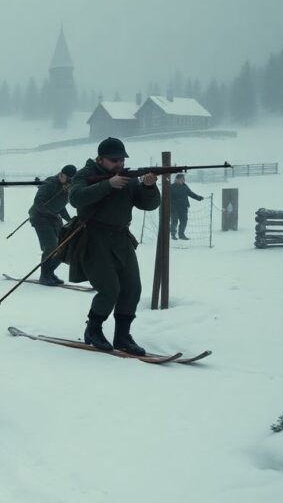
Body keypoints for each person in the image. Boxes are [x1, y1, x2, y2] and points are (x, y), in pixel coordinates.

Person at [67, 138, 160, 356]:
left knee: (132, 288)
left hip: (121, 238)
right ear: (100, 159)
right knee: (109, 289)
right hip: (94, 238)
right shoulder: (85, 174)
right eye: (114, 160)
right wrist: (107, 184)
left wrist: (148, 187)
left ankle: (123, 336)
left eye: (121, 159)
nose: (119, 163)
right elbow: (76, 198)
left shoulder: (128, 178)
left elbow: (148, 204)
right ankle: (93, 330)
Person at [30, 165, 77, 285]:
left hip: (53, 218)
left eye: (71, 180)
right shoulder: (49, 183)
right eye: (67, 179)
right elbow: (38, 203)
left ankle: (49, 272)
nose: (69, 183)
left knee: (62, 246)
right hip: (40, 217)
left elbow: (60, 206)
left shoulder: (67, 186)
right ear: (61, 175)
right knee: (51, 246)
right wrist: (53, 214)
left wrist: (70, 220)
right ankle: (44, 276)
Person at [169, 174, 204, 240]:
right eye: (182, 179)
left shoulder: (184, 186)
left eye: (183, 179)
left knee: (184, 221)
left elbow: (190, 193)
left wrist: (198, 197)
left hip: (183, 207)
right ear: (177, 179)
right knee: (174, 221)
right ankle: (173, 235)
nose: (183, 180)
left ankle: (181, 235)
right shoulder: (171, 187)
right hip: (174, 208)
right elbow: (167, 198)